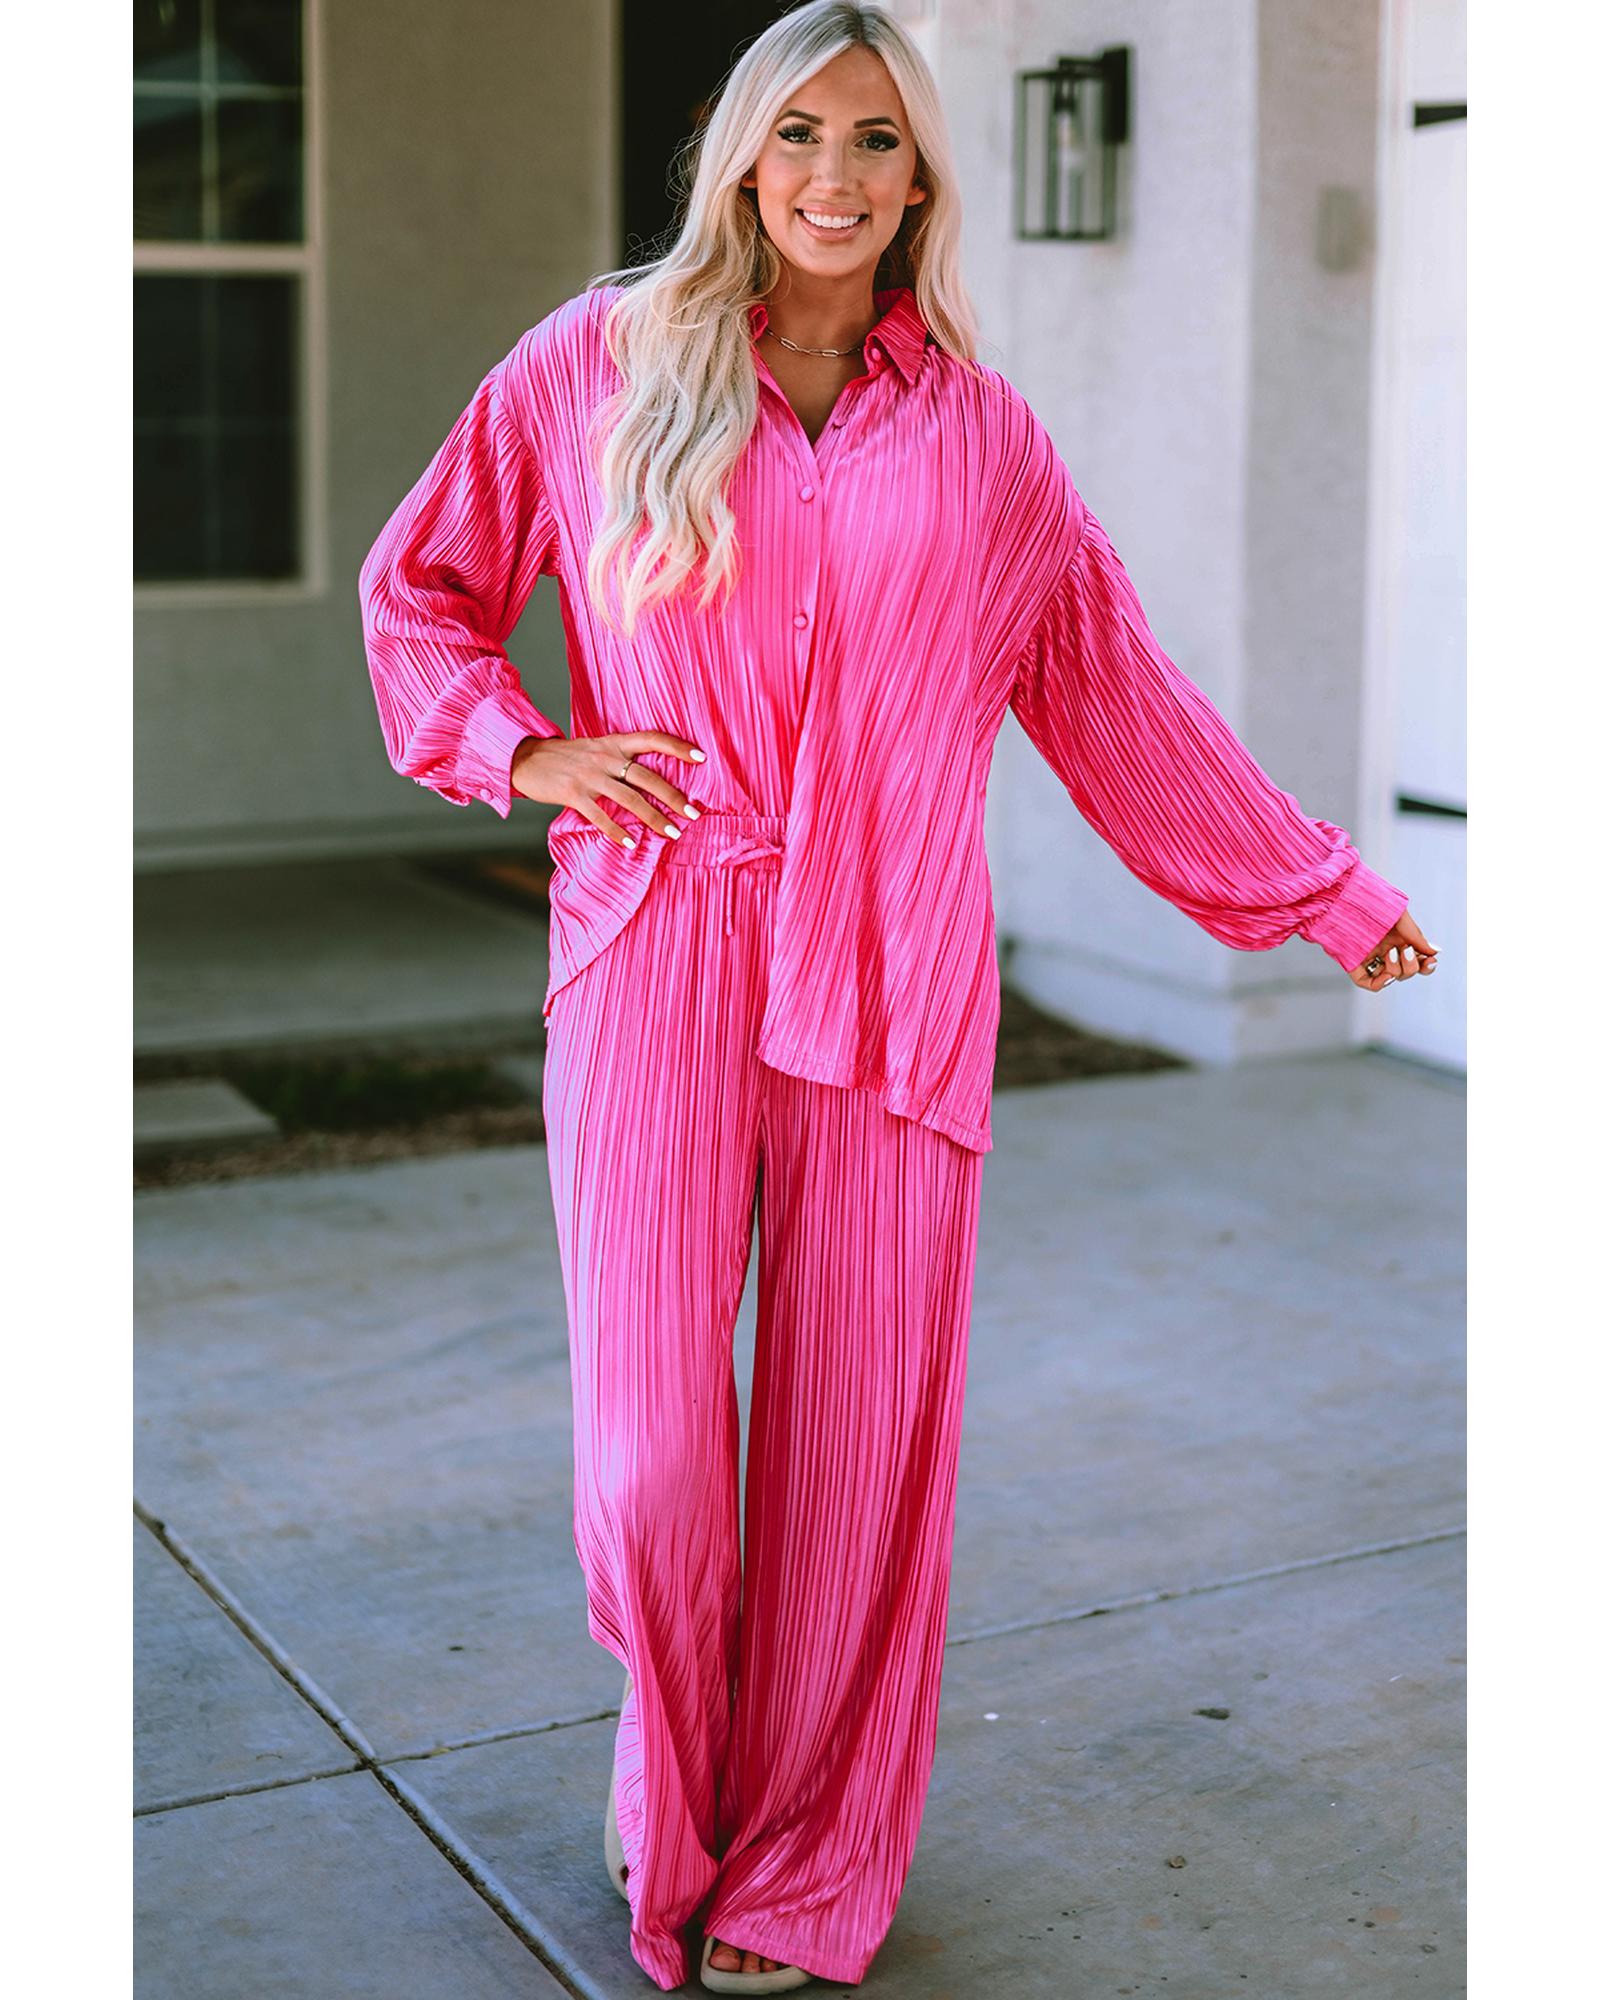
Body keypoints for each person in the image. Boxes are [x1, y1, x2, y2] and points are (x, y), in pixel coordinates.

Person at [357, 6, 1439, 1992]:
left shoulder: (983, 440)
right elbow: (420, 587)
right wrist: (524, 750)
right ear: (738, 155)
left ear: (923, 173)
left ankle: (794, 1873)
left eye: (874, 139)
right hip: (656, 946)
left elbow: (1111, 689)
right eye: (797, 135)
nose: (834, 177)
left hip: (894, 975)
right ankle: (673, 1778)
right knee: (651, 1463)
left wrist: (1318, 890)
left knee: (852, 1469)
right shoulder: (596, 365)